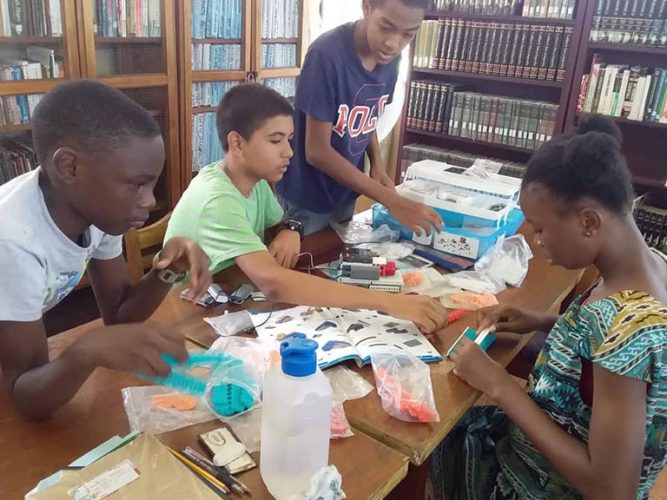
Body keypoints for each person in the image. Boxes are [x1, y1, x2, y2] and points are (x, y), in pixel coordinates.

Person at [429, 115, 667, 499]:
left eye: (539, 229)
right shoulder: (653, 266)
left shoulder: (624, 329)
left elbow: (612, 490)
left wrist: (499, 385)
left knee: (445, 434)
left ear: (589, 221)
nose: (536, 242)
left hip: (544, 487)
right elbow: (611, 361)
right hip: (551, 452)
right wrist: (541, 321)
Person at [0, 81, 212, 421]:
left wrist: (167, 269)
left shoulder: (95, 210)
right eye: (137, 184)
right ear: (69, 167)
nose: (150, 201)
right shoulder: (12, 241)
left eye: (152, 184)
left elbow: (119, 314)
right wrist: (85, 349)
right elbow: (25, 396)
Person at [165, 83, 448, 332]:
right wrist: (387, 303)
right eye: (275, 141)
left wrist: (292, 227)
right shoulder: (218, 199)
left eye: (289, 140)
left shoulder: (255, 181)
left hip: (232, 296)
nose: (288, 152)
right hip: (187, 319)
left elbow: (280, 225)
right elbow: (273, 282)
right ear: (237, 143)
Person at [276, 0, 443, 236]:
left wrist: (377, 164)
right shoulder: (326, 55)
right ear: (366, 7)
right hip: (307, 196)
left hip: (345, 192)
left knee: (336, 264)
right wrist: (390, 199)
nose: (393, 43)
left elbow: (368, 115)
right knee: (302, 265)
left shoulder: (390, 58)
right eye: (385, 27)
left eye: (408, 35)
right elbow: (317, 151)